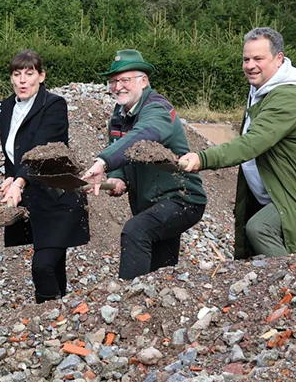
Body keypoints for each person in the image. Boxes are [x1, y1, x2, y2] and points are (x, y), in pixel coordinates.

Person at [178, 27, 296, 259]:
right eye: (246, 59)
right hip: (279, 191)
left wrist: (202, 158)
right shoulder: (260, 92)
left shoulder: (287, 98)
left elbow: (252, 142)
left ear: (278, 58)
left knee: (260, 229)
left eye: (258, 59)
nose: (250, 65)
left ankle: (292, 275)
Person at [80, 49, 206, 280]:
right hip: (151, 203)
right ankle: (159, 297)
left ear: (144, 81)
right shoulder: (119, 115)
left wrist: (102, 162)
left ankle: (127, 297)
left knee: (135, 231)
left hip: (181, 199)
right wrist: (118, 176)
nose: (118, 87)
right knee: (161, 268)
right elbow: (120, 149)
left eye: (125, 80)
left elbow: (142, 135)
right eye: (113, 82)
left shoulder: (157, 108)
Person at [0, 49, 89, 302]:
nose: (22, 80)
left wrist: (19, 182)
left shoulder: (54, 105)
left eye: (29, 73)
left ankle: (47, 314)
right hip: (35, 200)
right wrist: (10, 176)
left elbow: (42, 150)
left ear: (41, 76)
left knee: (43, 265)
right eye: (17, 74)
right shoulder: (5, 108)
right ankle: (59, 312)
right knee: (54, 265)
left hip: (59, 196)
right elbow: (13, 150)